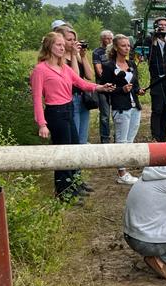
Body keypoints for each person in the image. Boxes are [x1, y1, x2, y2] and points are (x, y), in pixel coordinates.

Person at [30, 31, 115, 200]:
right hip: (55, 113)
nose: (62, 48)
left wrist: (100, 87)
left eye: (63, 45)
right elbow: (37, 99)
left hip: (69, 109)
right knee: (63, 153)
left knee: (74, 148)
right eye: (59, 45)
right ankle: (63, 191)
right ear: (49, 47)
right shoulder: (40, 70)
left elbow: (81, 83)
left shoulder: (64, 68)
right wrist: (42, 124)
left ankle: (74, 184)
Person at [100, 34, 143, 185]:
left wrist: (138, 90)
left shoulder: (132, 64)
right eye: (123, 45)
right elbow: (104, 89)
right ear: (116, 47)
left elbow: (135, 84)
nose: (127, 48)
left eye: (128, 45)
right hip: (120, 107)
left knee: (130, 139)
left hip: (134, 106)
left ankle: (124, 167)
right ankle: (121, 172)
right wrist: (121, 89)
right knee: (121, 139)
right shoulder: (109, 66)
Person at [61, 25, 95, 145]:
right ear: (61, 41)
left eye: (74, 40)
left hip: (83, 98)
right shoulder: (61, 59)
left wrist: (83, 56)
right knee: (74, 137)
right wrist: (74, 56)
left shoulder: (78, 56)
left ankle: (80, 163)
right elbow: (74, 77)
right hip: (70, 98)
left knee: (83, 137)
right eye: (69, 40)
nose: (72, 43)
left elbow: (90, 76)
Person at [92, 29, 114, 144]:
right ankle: (105, 138)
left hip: (115, 86)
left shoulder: (115, 51)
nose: (109, 40)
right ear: (102, 39)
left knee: (116, 112)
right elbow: (98, 70)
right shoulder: (97, 52)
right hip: (102, 85)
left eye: (111, 38)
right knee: (105, 114)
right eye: (107, 38)